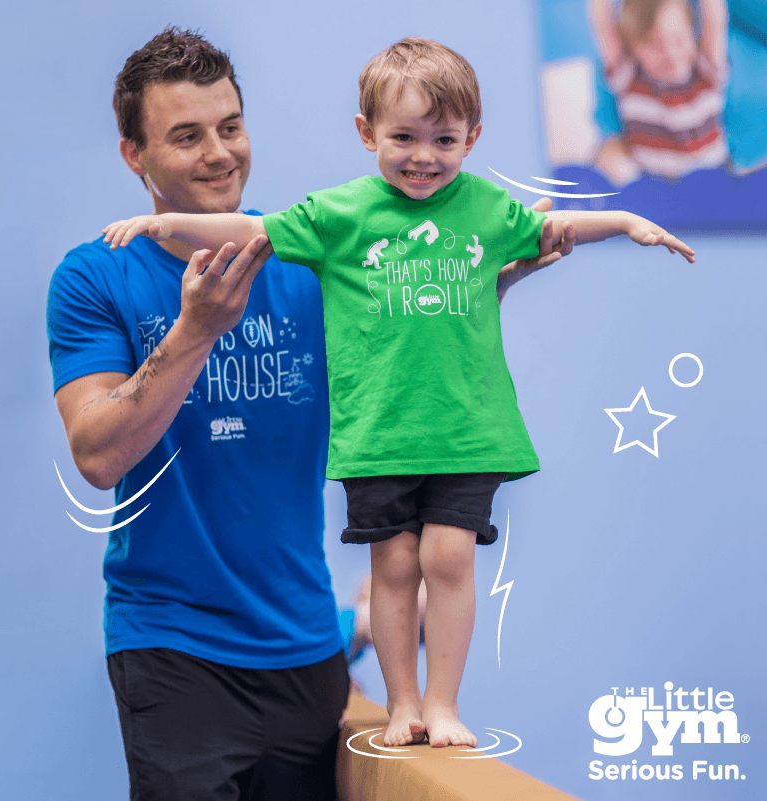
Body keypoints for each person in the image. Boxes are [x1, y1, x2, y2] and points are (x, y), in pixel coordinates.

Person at [103, 36, 694, 751]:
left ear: (472, 137)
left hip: (467, 430)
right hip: (380, 435)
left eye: (444, 140)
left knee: (447, 559)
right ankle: (403, 704)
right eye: (405, 138)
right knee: (393, 564)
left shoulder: (485, 208)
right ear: (367, 133)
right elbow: (253, 231)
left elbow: (552, 227)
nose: (424, 157)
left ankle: (442, 702)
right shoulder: (341, 216)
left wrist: (626, 223)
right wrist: (166, 223)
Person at [48, 28, 572, 799]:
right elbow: (98, 456)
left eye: (230, 127)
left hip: (305, 650)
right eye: (187, 136)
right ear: (135, 154)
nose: (219, 154)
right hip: (175, 648)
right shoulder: (95, 276)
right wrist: (195, 332)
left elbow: (406, 355)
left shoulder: (310, 260)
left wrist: (487, 283)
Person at [590, 0, 729, 185]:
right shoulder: (628, 77)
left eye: (679, 39)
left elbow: (715, 20)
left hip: (714, 179)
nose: (670, 53)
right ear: (632, 47)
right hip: (653, 186)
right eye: (654, 45)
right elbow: (602, 22)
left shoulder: (706, 70)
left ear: (692, 32)